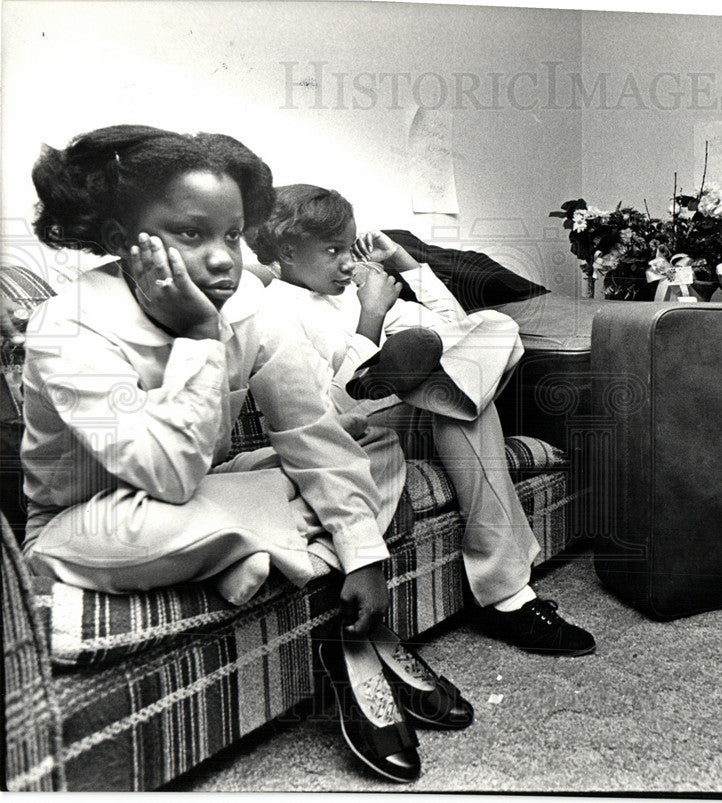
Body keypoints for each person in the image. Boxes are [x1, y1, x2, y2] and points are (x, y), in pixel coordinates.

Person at [21, 125, 473, 784]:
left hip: (218, 497)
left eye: (232, 234)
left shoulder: (253, 301)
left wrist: (364, 553)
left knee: (371, 447)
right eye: (189, 233)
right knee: (172, 517)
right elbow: (171, 480)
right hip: (97, 523)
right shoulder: (68, 326)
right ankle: (260, 557)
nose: (222, 259)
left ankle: (257, 558)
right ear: (123, 242)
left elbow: (309, 428)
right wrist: (201, 334)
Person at [246, 185, 596, 657]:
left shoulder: (354, 291)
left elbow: (453, 327)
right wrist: (372, 318)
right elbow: (322, 419)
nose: (349, 264)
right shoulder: (274, 312)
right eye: (332, 251)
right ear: (286, 253)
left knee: (493, 330)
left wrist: (407, 265)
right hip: (358, 433)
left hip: (413, 405)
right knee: (460, 401)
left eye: (350, 249)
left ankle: (394, 378)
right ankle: (506, 595)